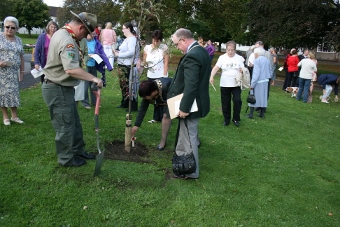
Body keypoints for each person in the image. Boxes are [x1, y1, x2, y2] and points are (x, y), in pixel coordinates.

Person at [41, 11, 103, 167]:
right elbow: (71, 69)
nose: (85, 37)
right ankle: (66, 159)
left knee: (74, 122)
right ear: (81, 27)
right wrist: (94, 78)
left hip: (63, 87)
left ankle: (78, 150)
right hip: (57, 88)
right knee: (65, 125)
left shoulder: (61, 32)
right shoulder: (67, 39)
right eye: (86, 33)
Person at [169, 28, 211, 179]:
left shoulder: (192, 55)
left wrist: (184, 107)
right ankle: (188, 166)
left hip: (192, 104)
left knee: (190, 136)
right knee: (188, 134)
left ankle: (192, 171)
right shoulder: (201, 51)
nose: (177, 48)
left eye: (177, 44)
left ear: (183, 40)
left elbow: (191, 85)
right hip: (197, 101)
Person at [210, 40, 244, 127]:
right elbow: (216, 67)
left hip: (236, 84)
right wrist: (211, 76)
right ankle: (226, 119)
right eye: (228, 50)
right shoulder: (222, 58)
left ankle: (236, 118)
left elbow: (244, 70)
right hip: (225, 83)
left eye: (232, 50)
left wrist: (242, 70)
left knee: (237, 101)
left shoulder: (239, 58)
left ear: (235, 50)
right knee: (225, 102)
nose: (230, 52)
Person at [131, 78, 172, 150]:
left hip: (179, 96)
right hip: (167, 102)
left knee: (176, 118)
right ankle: (163, 142)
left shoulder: (167, 86)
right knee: (166, 116)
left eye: (145, 96)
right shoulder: (149, 90)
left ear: (153, 92)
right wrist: (136, 125)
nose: (144, 98)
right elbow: (142, 109)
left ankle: (191, 139)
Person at [0, 16, 25, 126]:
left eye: (13, 27)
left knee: (14, 93)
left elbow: (21, 57)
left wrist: (22, 72)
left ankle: (14, 116)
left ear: (16, 29)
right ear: (4, 26)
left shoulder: (19, 40)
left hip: (13, 72)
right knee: (3, 94)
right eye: (7, 27)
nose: (10, 29)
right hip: (2, 72)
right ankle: (5, 117)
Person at [142, 30, 169, 123]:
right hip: (151, 75)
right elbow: (144, 60)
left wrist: (164, 76)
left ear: (160, 40)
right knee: (153, 96)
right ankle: (156, 117)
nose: (155, 42)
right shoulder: (147, 48)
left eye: (157, 41)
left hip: (161, 75)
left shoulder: (164, 48)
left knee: (161, 97)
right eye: (154, 40)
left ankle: (164, 116)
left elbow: (166, 63)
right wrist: (144, 65)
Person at [81, 32, 113, 109]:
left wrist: (109, 66)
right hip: (85, 66)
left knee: (94, 84)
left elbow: (102, 54)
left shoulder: (96, 42)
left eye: (93, 34)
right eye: (90, 34)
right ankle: (85, 103)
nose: (91, 35)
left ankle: (94, 102)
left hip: (93, 65)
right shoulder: (82, 41)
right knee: (85, 85)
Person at [114, 22, 138, 111]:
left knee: (129, 85)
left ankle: (132, 104)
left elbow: (131, 52)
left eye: (123, 28)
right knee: (123, 85)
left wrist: (119, 54)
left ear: (128, 29)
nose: (122, 30)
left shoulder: (132, 39)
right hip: (122, 64)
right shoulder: (126, 39)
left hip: (128, 65)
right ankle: (124, 102)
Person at [246, 47, 271, 119]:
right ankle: (262, 114)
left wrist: (252, 84)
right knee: (263, 97)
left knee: (253, 96)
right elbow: (269, 70)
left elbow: (256, 74)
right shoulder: (267, 60)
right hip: (265, 81)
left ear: (257, 53)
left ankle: (251, 114)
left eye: (254, 53)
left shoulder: (257, 60)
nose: (254, 54)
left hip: (258, 82)